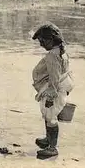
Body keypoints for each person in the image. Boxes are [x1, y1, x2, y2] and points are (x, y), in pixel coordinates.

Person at [31, 23, 74, 158]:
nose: (41, 44)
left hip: (54, 90)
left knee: (50, 117)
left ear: (50, 40)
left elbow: (54, 77)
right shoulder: (61, 51)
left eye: (42, 41)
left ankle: (52, 147)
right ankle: (48, 140)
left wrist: (50, 96)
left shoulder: (52, 56)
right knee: (49, 115)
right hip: (61, 87)